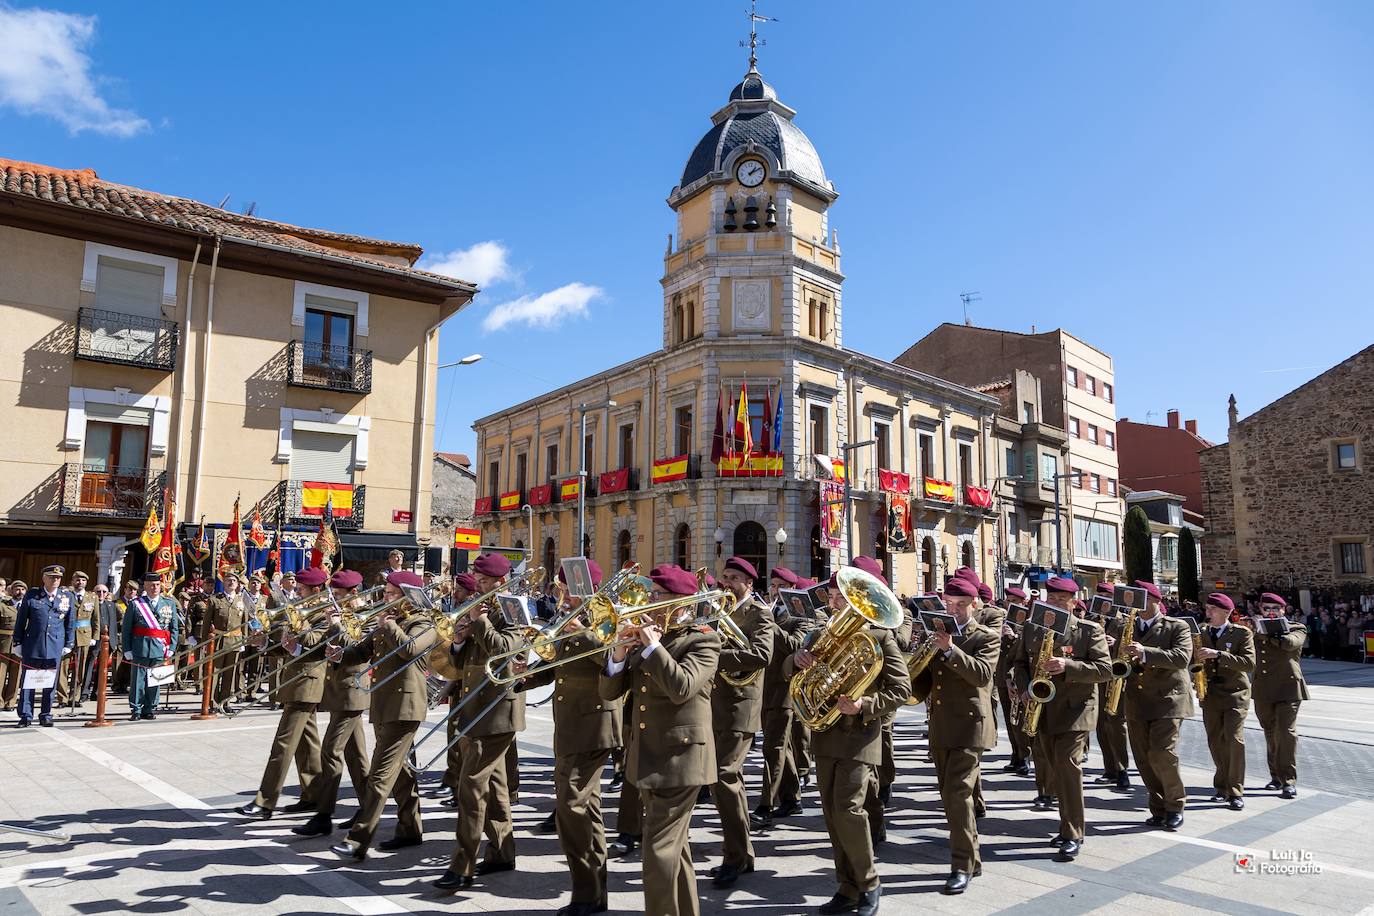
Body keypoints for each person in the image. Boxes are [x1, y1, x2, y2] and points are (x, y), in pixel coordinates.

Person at [598, 564, 720, 916]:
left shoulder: (702, 638)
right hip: (648, 756)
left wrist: (652, 648)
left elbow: (682, 687)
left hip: (681, 760)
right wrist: (618, 655)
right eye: (650, 595)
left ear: (681, 603)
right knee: (673, 849)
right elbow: (609, 693)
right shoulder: (650, 639)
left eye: (658, 597)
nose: (648, 603)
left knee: (658, 851)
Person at [787, 567, 908, 916]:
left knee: (849, 810)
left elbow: (901, 689)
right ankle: (846, 887)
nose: (836, 601)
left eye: (843, 596)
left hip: (859, 738)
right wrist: (795, 660)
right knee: (831, 814)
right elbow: (786, 670)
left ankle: (869, 882)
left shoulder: (881, 638)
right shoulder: (818, 634)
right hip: (824, 735)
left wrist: (863, 705)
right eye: (835, 596)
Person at [513, 559, 622, 916]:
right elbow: (556, 667)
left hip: (594, 725)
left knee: (571, 806)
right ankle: (593, 892)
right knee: (586, 810)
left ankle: (586, 892)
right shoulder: (566, 618)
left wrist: (581, 632)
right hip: (571, 725)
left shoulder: (606, 617)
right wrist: (524, 676)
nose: (560, 595)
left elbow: (613, 663)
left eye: (564, 589)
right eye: (559, 589)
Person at [330, 570, 438, 860]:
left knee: (379, 775)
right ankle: (410, 829)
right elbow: (364, 651)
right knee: (400, 774)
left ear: (407, 596)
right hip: (383, 704)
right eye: (386, 593)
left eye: (391, 594)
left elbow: (411, 649)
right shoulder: (392, 621)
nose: (385, 598)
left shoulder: (424, 622)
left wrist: (388, 625)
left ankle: (358, 839)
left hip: (405, 707)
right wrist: (339, 655)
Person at [437, 552, 526, 889]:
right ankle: (502, 852)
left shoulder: (514, 609)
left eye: (485, 581)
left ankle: (462, 866)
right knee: (495, 787)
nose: (479, 586)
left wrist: (480, 621)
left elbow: (504, 649)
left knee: (471, 786)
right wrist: (459, 639)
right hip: (476, 705)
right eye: (478, 580)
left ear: (501, 582)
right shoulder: (480, 608)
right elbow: (461, 661)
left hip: (498, 709)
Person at [1011, 575, 1111, 861]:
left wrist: (1068, 665)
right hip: (1043, 709)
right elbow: (1019, 662)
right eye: (1050, 599)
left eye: (1060, 600)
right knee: (1054, 769)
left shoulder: (1089, 631)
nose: (1054, 604)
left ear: (1073, 602)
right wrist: (1024, 686)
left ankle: (1072, 833)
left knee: (1068, 768)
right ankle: (1066, 823)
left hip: (1075, 710)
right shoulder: (1032, 628)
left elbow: (1104, 670)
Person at [913, 575, 1000, 895]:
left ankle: (961, 864)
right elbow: (923, 682)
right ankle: (972, 859)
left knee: (959, 794)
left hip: (970, 726)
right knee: (949, 797)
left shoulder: (985, 636)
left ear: (974, 605)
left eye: (961, 605)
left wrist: (949, 650)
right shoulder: (937, 635)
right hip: (940, 725)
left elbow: (982, 674)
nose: (955, 610)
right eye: (949, 605)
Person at [235, 567, 328, 818]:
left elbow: (314, 644)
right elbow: (283, 645)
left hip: (308, 682)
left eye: (300, 590)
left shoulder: (324, 613)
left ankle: (265, 802)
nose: (296, 593)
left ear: (315, 591)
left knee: (283, 744)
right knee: (307, 745)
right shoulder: (297, 610)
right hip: (295, 681)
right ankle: (314, 795)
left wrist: (295, 637)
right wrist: (264, 642)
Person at [707, 556, 774, 888]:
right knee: (723, 782)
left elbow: (762, 655)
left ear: (749, 583)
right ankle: (741, 853)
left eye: (734, 578)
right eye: (725, 576)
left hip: (740, 706)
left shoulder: (760, 614)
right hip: (714, 705)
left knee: (725, 776)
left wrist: (714, 657)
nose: (727, 583)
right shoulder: (718, 611)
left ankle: (735, 857)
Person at [294, 569, 371, 838]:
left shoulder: (368, 616)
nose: (333, 600)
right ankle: (367, 809)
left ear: (353, 594)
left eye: (337, 595)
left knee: (330, 751)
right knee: (356, 756)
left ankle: (324, 814)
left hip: (353, 692)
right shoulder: (342, 615)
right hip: (339, 690)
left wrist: (337, 627)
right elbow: (333, 648)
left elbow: (360, 651)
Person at [1122, 580, 1193, 831]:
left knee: (1162, 753)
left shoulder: (1177, 626)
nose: (1134, 605)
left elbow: (1183, 658)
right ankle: (1158, 806)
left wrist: (1144, 652)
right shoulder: (1125, 627)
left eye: (1140, 600)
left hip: (1168, 700)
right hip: (1137, 700)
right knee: (1143, 758)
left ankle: (1175, 805)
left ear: (1155, 601)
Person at [754, 565, 818, 829]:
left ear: (792, 590)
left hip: (786, 689)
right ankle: (791, 799)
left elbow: (796, 646)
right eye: (773, 585)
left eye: (781, 586)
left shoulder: (802, 616)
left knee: (774, 748)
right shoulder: (768, 612)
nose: (775, 590)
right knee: (783, 748)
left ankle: (766, 804)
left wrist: (767, 623)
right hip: (764, 688)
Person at [1197, 593, 1254, 810]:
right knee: (1215, 741)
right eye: (1208, 608)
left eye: (1213, 609)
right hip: (1210, 695)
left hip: (1234, 694)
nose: (1208, 612)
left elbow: (1248, 663)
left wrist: (1218, 654)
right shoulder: (1200, 632)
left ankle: (1235, 790)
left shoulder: (1241, 633)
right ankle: (1221, 786)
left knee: (1234, 740)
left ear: (1227, 612)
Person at [1251, 592, 1308, 799]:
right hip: (1263, 689)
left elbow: (1289, 644)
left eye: (1276, 608)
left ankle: (1288, 781)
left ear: (1284, 610)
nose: (1271, 612)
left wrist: (1266, 631)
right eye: (1267, 609)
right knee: (1270, 732)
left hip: (1288, 688)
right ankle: (1275, 776)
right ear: (1260, 610)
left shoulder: (1296, 627)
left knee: (1286, 733)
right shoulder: (1253, 629)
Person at [14, 566, 75, 727]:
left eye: (58, 577)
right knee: (28, 681)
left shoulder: (66, 597)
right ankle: (26, 715)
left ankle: (46, 714)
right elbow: (21, 620)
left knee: (50, 682)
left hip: (55, 645)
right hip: (33, 644)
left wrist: (69, 643)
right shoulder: (33, 595)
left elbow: (70, 622)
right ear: (44, 578)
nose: (55, 580)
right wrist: (17, 641)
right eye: (51, 577)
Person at [120, 572, 181, 721]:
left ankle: (150, 708)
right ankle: (136, 709)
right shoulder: (136, 604)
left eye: (157, 585)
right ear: (145, 586)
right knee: (137, 681)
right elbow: (127, 629)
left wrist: (172, 647)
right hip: (140, 647)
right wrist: (127, 649)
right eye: (151, 585)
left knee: (155, 680)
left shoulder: (169, 603)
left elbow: (174, 628)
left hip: (160, 648)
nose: (155, 588)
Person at [1094, 584, 1133, 791]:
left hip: (1116, 677)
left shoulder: (1125, 622)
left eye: (1107, 596)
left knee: (1116, 724)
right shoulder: (1091, 621)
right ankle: (1109, 768)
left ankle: (1122, 769)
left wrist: (1115, 642)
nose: (1103, 600)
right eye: (1100, 596)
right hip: (1096, 678)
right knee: (1101, 725)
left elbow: (1131, 647)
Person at [201, 573, 251, 709]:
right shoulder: (215, 599)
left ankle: (225, 702)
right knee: (214, 673)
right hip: (218, 641)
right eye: (228, 580)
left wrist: (244, 641)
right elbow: (206, 623)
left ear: (238, 584)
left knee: (230, 673)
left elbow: (245, 623)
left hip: (235, 641)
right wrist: (205, 642)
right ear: (223, 583)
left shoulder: (242, 601)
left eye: (234, 580)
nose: (231, 582)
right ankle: (212, 702)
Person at [996, 585, 1030, 778]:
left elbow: (1022, 653)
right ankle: (1015, 754)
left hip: (1018, 676)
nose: (1011, 605)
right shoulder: (1000, 621)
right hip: (1002, 675)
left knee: (1020, 719)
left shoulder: (1029, 623)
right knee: (1010, 719)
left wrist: (1013, 637)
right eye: (1009, 601)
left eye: (1015, 602)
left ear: (1023, 604)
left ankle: (1025, 755)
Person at [0, 578, 24, 711]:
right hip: (3, 643)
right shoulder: (3, 605)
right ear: (12, 590)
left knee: (16, 675)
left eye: (22, 589)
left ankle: (10, 702)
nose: (19, 592)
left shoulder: (28, 605)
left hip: (20, 645)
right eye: (17, 589)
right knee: (0, 674)